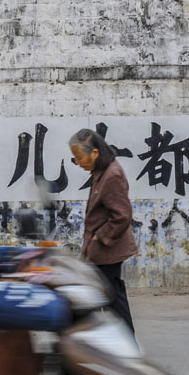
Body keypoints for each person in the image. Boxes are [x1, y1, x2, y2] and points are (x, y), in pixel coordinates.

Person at [69, 128, 138, 331]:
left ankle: (88, 346)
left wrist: (100, 237)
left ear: (95, 153)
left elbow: (122, 215)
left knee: (92, 297)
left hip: (108, 250)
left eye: (80, 157)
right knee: (111, 297)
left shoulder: (112, 175)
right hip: (101, 249)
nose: (78, 162)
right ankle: (124, 345)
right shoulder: (101, 171)